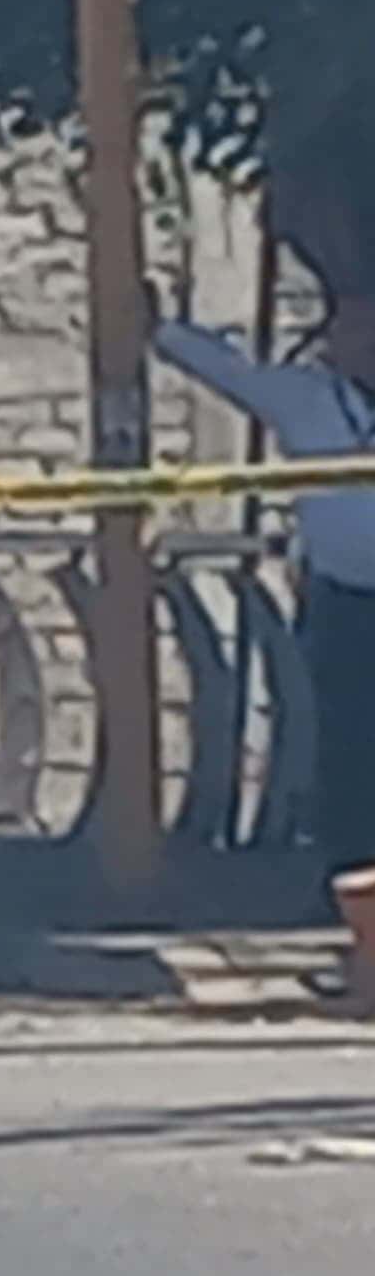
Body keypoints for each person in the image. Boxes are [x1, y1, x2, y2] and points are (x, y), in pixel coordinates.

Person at [153, 294, 375, 973]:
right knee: (347, 753)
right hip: (346, 603)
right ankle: (353, 911)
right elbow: (231, 373)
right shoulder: (309, 398)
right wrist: (160, 328)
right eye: (348, 327)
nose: (350, 339)